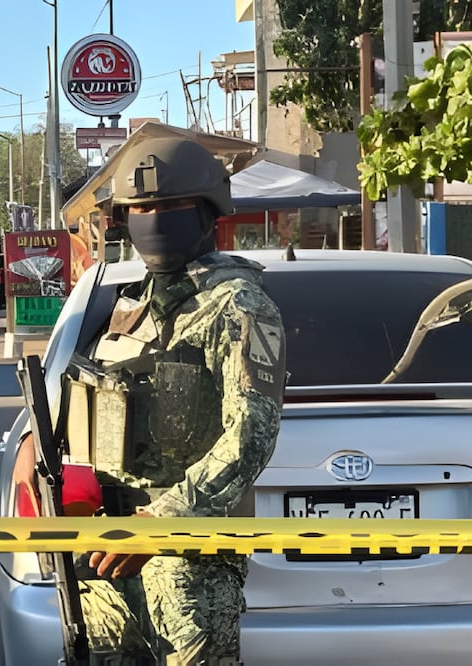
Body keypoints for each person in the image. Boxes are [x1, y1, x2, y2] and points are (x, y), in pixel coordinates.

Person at [43, 137, 286, 664]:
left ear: (208, 213)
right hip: (108, 548)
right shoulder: (127, 308)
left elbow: (251, 436)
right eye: (141, 208)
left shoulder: (239, 306)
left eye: (171, 206)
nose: (154, 219)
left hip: (187, 560)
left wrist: (161, 522)